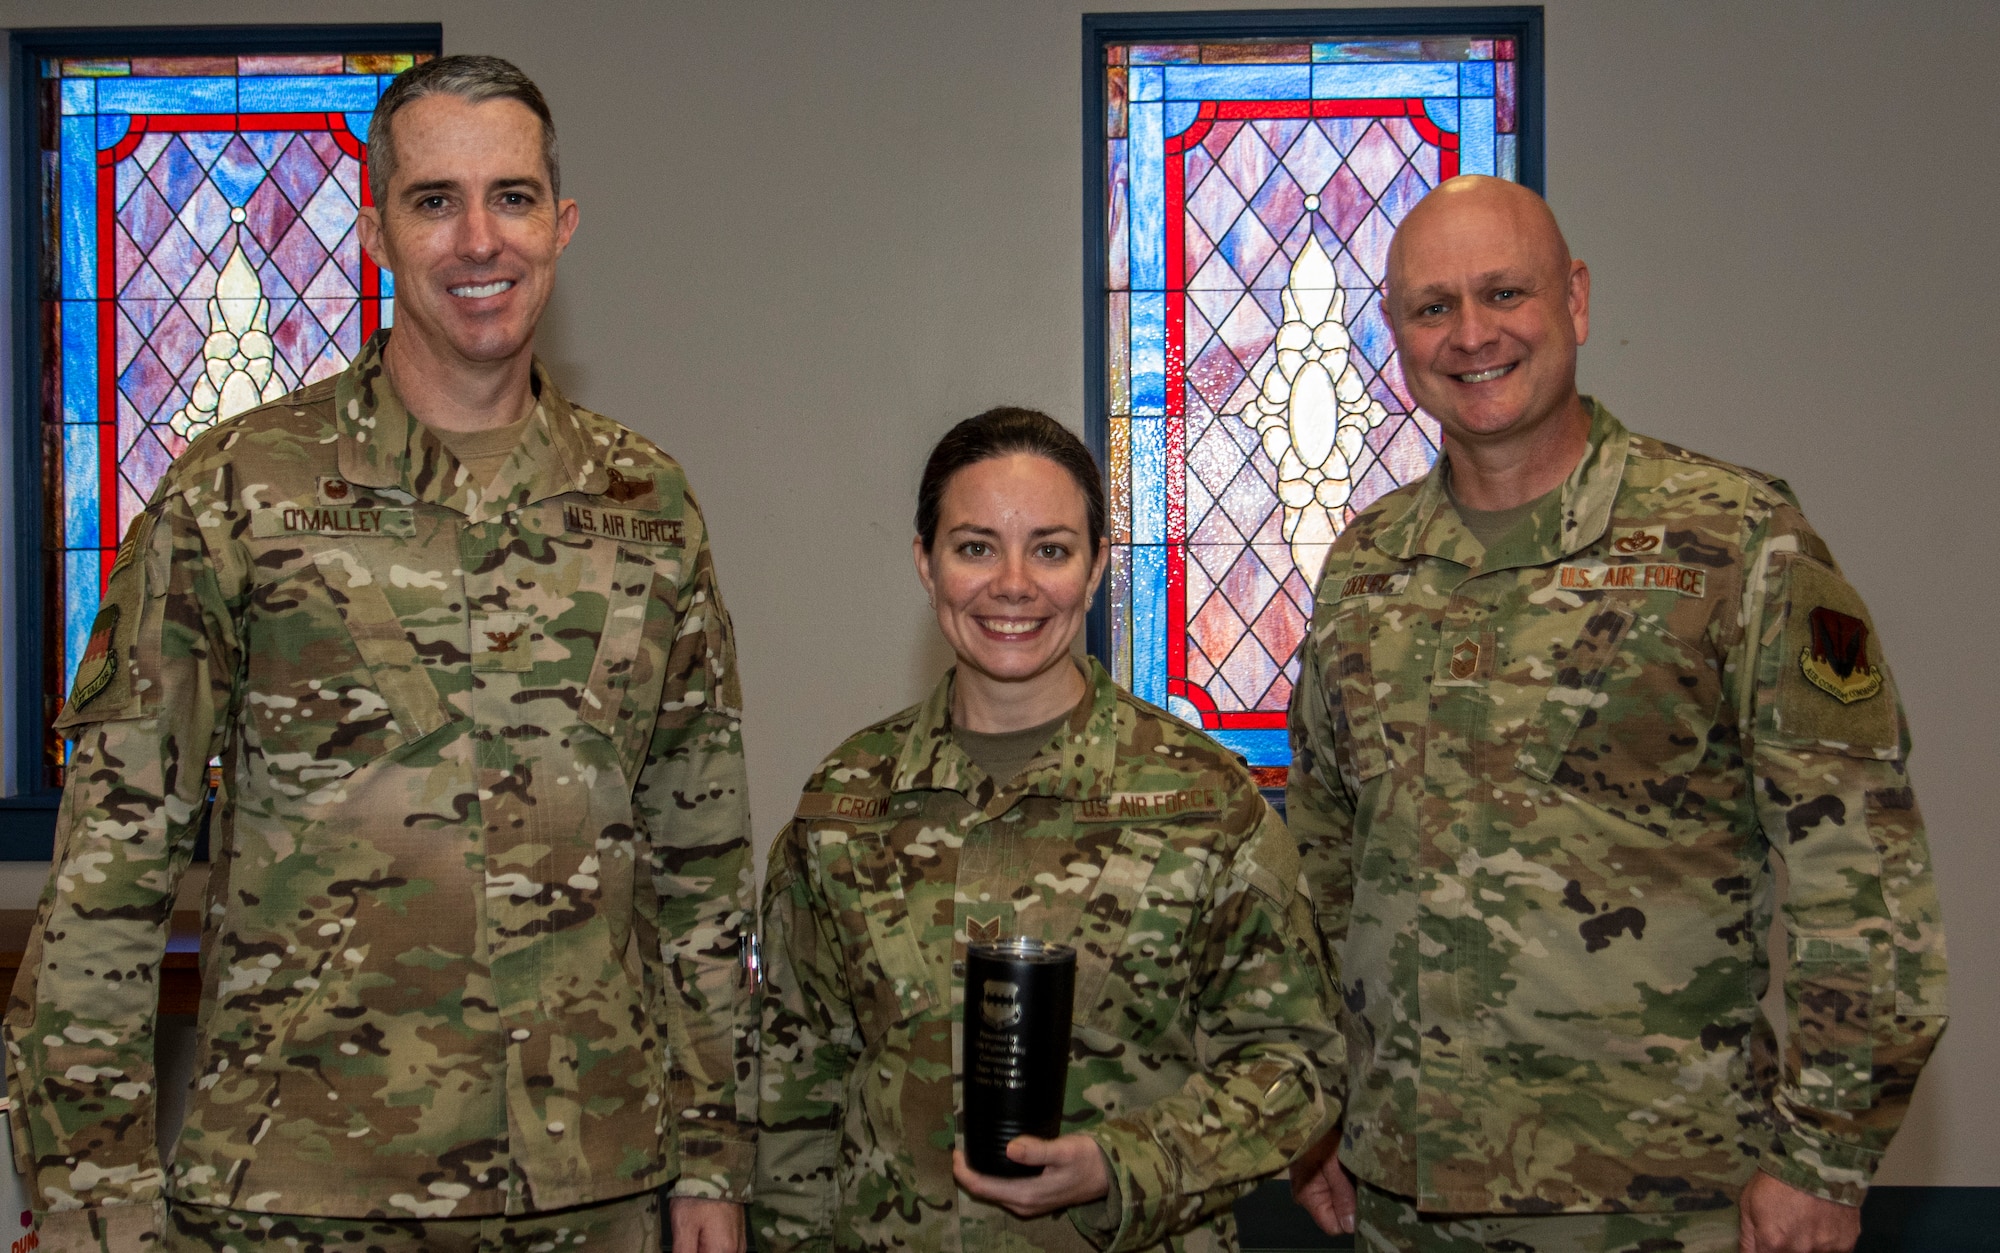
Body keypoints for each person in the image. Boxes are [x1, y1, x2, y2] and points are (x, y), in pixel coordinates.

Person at [5, 56, 755, 1253]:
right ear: (371, 231)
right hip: (302, 1186)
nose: (477, 240)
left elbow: (699, 864)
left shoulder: (646, 502)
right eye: (432, 199)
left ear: (560, 226)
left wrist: (712, 1152)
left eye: (511, 197)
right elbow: (114, 862)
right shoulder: (237, 489)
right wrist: (97, 1199)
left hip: (595, 1184)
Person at [1285, 175, 1948, 1253]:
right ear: (1394, 335)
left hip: (1659, 1202)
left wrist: (1822, 1158)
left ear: (1576, 301)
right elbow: (1317, 861)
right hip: (1403, 1194)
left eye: (1503, 291)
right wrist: (1314, 1109)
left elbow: (1860, 874)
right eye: (1430, 307)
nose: (1470, 334)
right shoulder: (1365, 565)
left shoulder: (1735, 541)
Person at [752, 408, 1342, 1252]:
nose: (1014, 584)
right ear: (926, 563)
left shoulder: (1204, 804)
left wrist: (1122, 1164)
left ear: (1098, 567)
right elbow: (794, 1086)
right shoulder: (848, 806)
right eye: (976, 546)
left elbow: (1300, 1065)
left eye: (1053, 549)